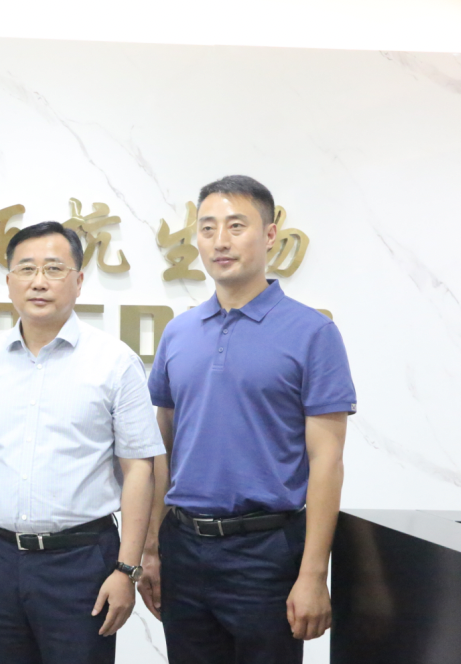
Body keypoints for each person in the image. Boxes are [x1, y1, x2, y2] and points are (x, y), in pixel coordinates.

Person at [139, 175, 357, 663]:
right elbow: (163, 445)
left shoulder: (312, 333)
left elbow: (327, 461)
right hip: (183, 548)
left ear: (270, 234)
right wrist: (150, 547)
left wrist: (312, 574)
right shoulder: (178, 333)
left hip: (267, 553)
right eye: (208, 228)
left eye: (236, 226)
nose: (220, 241)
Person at [0, 221, 164, 664]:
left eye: (53, 269)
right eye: (26, 269)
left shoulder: (114, 362)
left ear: (79, 281)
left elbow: (139, 470)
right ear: (9, 281)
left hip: (81, 561)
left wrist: (127, 568)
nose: (39, 281)